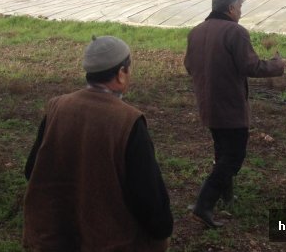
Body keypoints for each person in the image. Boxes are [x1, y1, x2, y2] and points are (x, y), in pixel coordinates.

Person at [23, 36, 173, 251]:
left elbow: (32, 170)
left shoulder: (57, 107)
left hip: (53, 238)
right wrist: (162, 233)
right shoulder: (128, 120)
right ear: (121, 73)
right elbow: (148, 195)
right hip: (109, 241)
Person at [184, 0, 286, 228]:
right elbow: (251, 66)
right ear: (230, 9)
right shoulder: (235, 31)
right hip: (230, 105)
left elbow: (189, 65)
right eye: (239, 7)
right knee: (234, 156)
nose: (240, 12)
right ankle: (203, 204)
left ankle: (225, 197)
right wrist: (277, 65)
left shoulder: (196, 32)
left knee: (222, 151)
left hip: (207, 104)